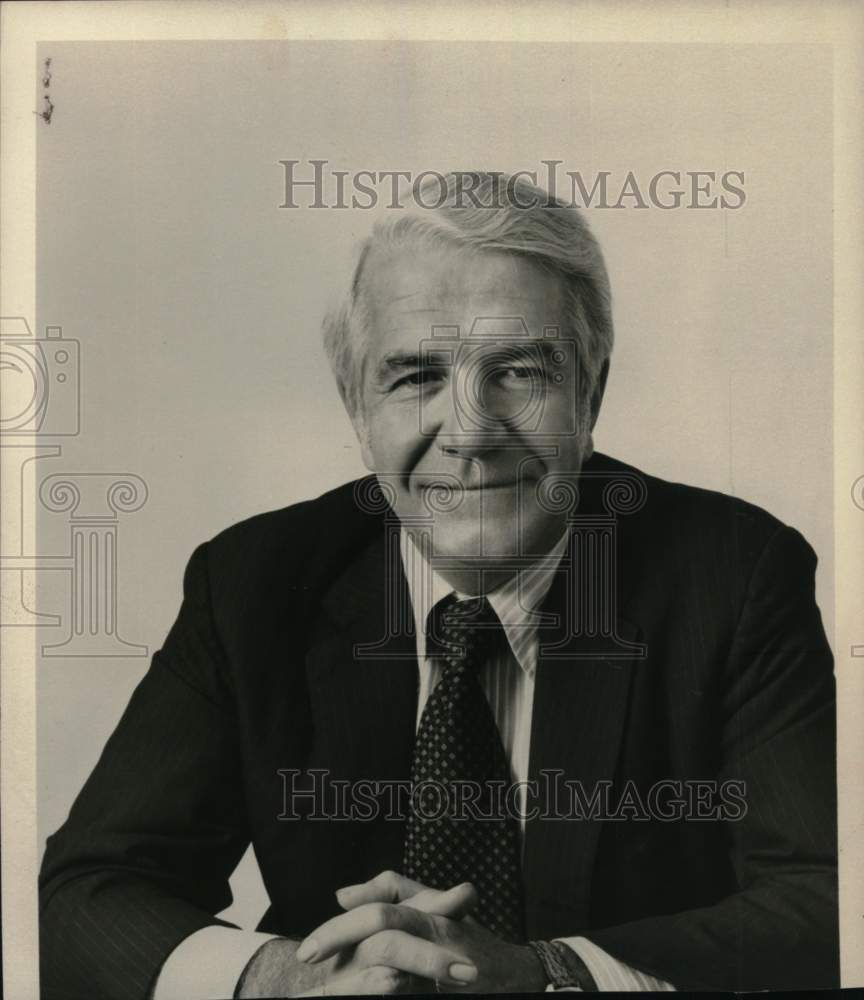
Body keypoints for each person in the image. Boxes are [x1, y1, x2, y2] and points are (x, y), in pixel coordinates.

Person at [39, 173, 838, 998]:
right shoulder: (252, 584)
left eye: (520, 371)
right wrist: (284, 980)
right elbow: (83, 897)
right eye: (416, 376)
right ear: (357, 409)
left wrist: (548, 976)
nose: (469, 432)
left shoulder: (735, 575)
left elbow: (828, 897)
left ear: (590, 394)